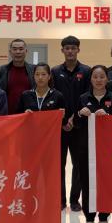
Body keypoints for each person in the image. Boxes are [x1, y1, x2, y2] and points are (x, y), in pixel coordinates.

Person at [75, 65, 112, 223]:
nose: (99, 80)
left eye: (102, 77)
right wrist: (80, 114)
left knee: (106, 184)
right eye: (95, 77)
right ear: (91, 79)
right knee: (87, 184)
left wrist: (109, 118)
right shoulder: (83, 98)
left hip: (109, 151)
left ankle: (103, 220)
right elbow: (75, 124)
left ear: (107, 79)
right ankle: (89, 220)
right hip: (85, 149)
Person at [18, 63, 67, 208]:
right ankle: (28, 200)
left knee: (51, 173)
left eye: (43, 74)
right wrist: (24, 115)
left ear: (49, 76)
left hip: (50, 143)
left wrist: (62, 116)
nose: (40, 77)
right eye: (37, 74)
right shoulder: (26, 95)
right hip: (30, 143)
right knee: (30, 172)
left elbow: (64, 122)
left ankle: (55, 201)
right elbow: (17, 117)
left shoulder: (58, 96)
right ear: (33, 76)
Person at [52, 36, 91, 211]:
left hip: (79, 125)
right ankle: (60, 200)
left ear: (78, 50)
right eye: (67, 48)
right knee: (59, 164)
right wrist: (61, 120)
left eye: (73, 48)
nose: (70, 51)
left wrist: (74, 118)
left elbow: (87, 97)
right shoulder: (55, 71)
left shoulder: (86, 71)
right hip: (59, 126)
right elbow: (53, 96)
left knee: (78, 164)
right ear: (62, 50)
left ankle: (75, 200)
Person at [0, 39, 35, 114]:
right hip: (7, 115)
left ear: (26, 51)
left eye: (21, 49)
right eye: (14, 49)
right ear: (10, 52)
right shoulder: (2, 70)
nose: (18, 52)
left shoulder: (34, 70)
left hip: (29, 114)